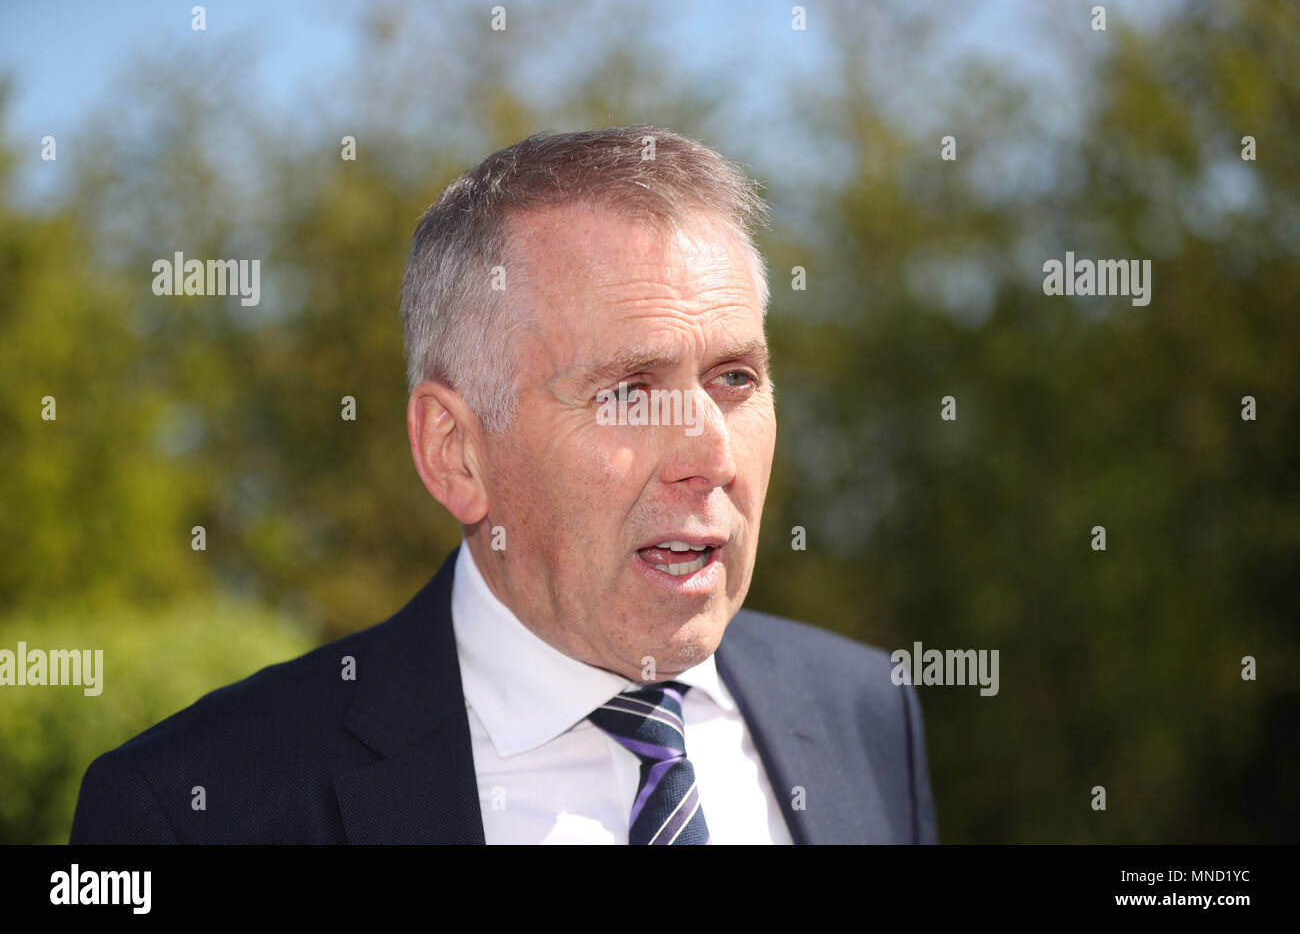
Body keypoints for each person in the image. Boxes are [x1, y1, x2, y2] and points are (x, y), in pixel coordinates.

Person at [70, 126, 938, 844]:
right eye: (629, 392)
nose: (712, 453)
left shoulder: (861, 710)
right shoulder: (194, 810)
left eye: (736, 379)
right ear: (455, 452)